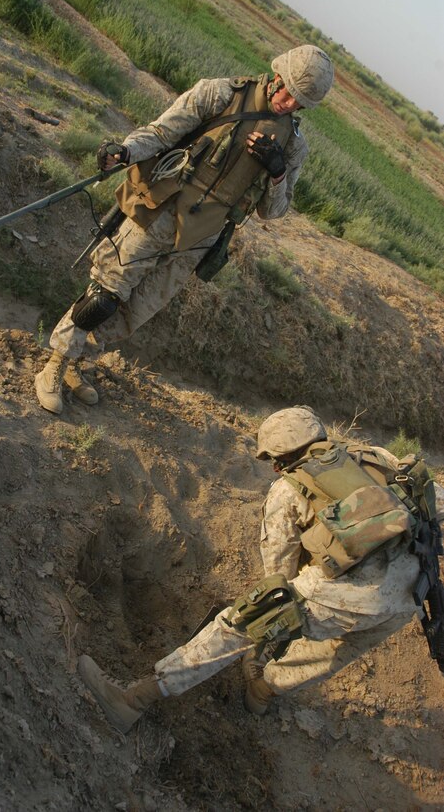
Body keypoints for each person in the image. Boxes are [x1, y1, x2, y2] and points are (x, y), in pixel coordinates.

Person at [78, 406, 444, 734]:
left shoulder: (287, 490)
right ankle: (263, 692)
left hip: (348, 595)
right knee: (336, 653)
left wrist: (270, 625)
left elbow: (278, 574)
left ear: (280, 459)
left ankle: (132, 700)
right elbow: (434, 502)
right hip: (413, 594)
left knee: (239, 625)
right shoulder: (376, 456)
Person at [35, 45, 334, 413]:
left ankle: (76, 362)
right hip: (159, 211)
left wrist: (276, 171)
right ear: (276, 77)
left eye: (299, 101)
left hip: (199, 238)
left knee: (135, 315)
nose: (289, 103)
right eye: (287, 91)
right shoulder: (220, 94)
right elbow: (162, 132)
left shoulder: (292, 146)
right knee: (105, 295)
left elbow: (273, 212)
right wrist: (125, 151)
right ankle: (55, 366)